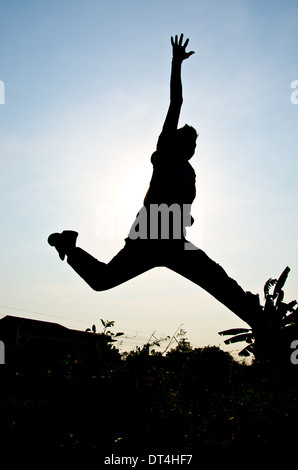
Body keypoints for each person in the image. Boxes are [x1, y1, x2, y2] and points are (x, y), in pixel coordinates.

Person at [48, 34, 261, 327]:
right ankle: (69, 246)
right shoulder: (165, 154)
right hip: (147, 239)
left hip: (173, 241)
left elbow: (177, 200)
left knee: (215, 280)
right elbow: (176, 101)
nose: (193, 148)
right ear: (176, 142)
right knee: (101, 281)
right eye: (189, 142)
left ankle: (261, 319)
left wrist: (186, 216)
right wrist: (176, 64)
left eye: (195, 145)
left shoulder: (190, 172)